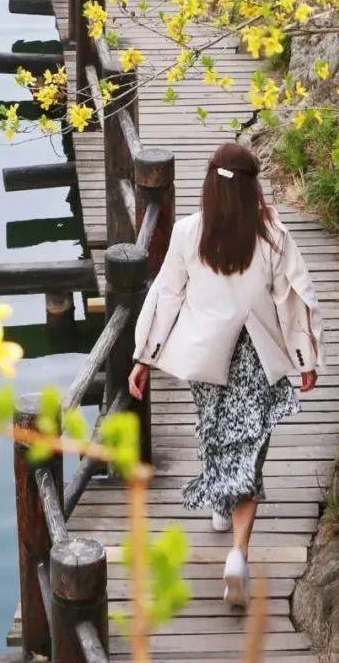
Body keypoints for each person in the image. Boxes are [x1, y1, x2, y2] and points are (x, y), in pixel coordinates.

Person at [127, 141, 325, 610]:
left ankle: (221, 504)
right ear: (253, 187)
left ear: (210, 186)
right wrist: (306, 358)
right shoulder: (271, 234)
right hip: (258, 355)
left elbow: (166, 295)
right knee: (250, 447)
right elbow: (293, 297)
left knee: (215, 430)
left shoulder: (188, 233)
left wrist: (144, 357)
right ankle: (238, 553)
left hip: (208, 357)